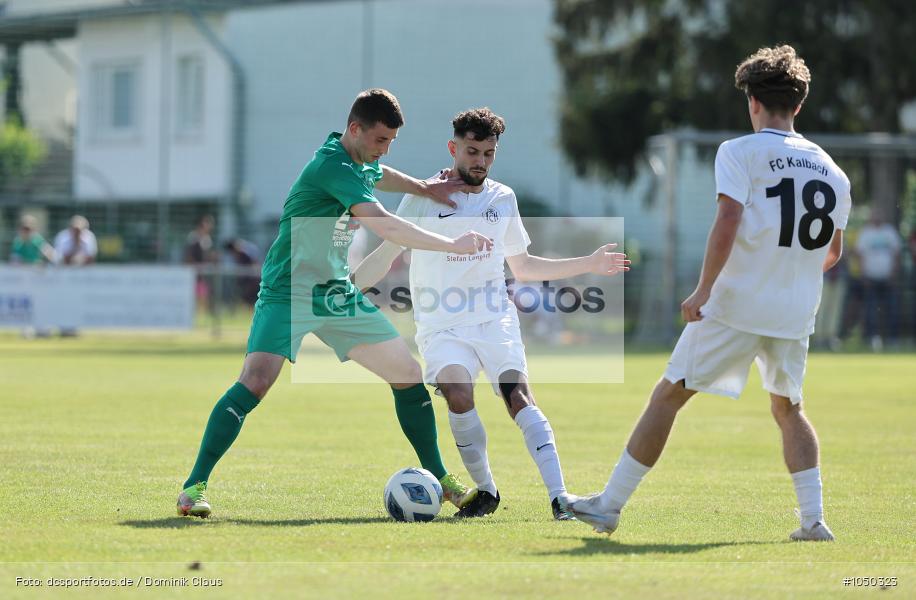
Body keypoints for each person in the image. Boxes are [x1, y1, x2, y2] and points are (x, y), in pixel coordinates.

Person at [561, 46, 851, 542]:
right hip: (795, 312)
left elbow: (729, 218)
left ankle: (608, 506)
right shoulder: (833, 172)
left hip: (737, 305)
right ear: (798, 105)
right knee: (789, 409)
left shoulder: (739, 151)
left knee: (669, 394)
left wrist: (703, 289)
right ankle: (814, 521)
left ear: (753, 102)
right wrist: (787, 272)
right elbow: (832, 253)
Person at [177, 89, 492, 518]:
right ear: (355, 129)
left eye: (391, 143)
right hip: (289, 291)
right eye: (380, 140)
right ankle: (193, 487)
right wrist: (452, 243)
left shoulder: (352, 157)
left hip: (335, 294)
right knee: (255, 382)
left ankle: (442, 480)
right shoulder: (331, 166)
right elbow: (386, 225)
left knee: (407, 374)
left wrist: (421, 186)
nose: (384, 150)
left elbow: (376, 172)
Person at [352, 108, 628, 519]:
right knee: (459, 395)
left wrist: (588, 263)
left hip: (493, 317)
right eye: (472, 151)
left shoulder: (503, 198)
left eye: (488, 153)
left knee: (517, 396)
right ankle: (486, 491)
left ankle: (560, 498)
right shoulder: (423, 196)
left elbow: (526, 267)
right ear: (453, 148)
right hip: (440, 324)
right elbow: (386, 253)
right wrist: (344, 289)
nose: (480, 161)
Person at [855, 213, 901, 351]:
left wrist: (893, 274)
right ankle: (872, 338)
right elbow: (860, 255)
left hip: (887, 278)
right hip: (871, 278)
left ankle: (893, 338)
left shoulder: (889, 232)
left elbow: (896, 254)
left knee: (892, 309)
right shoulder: (866, 233)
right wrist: (864, 276)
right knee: (871, 310)